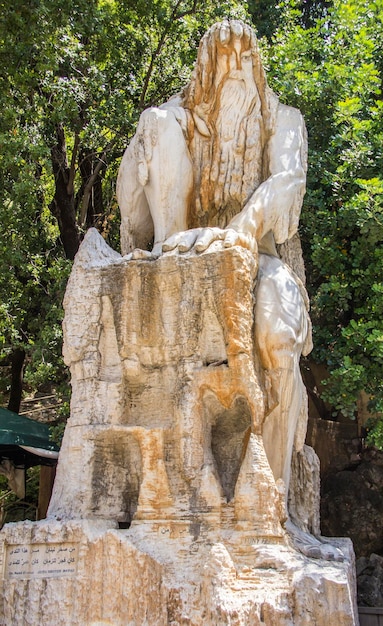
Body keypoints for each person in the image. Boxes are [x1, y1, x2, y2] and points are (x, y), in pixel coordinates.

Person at [117, 19, 312, 506]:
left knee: (280, 338)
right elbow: (131, 214)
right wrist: (149, 133)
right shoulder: (178, 118)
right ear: (207, 67)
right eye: (226, 58)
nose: (239, 68)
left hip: (257, 256)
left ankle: (273, 498)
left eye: (248, 58)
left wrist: (243, 229)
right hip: (183, 251)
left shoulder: (281, 119)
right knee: (156, 124)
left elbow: (289, 180)